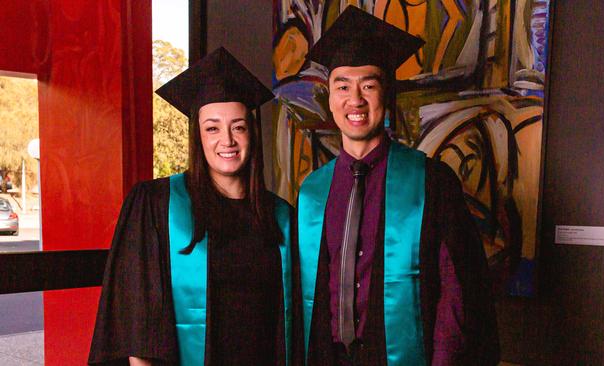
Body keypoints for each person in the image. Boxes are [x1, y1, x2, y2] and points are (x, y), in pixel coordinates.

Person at [296, 6, 499, 365]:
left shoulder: (431, 182)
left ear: (386, 94)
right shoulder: (313, 193)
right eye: (342, 86)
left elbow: (457, 292)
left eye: (368, 86)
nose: (355, 100)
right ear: (330, 97)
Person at [89, 47, 294, 366]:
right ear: (198, 136)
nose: (226, 140)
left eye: (238, 126)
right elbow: (139, 323)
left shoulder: (281, 216)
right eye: (212, 127)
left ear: (252, 132)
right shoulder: (157, 205)